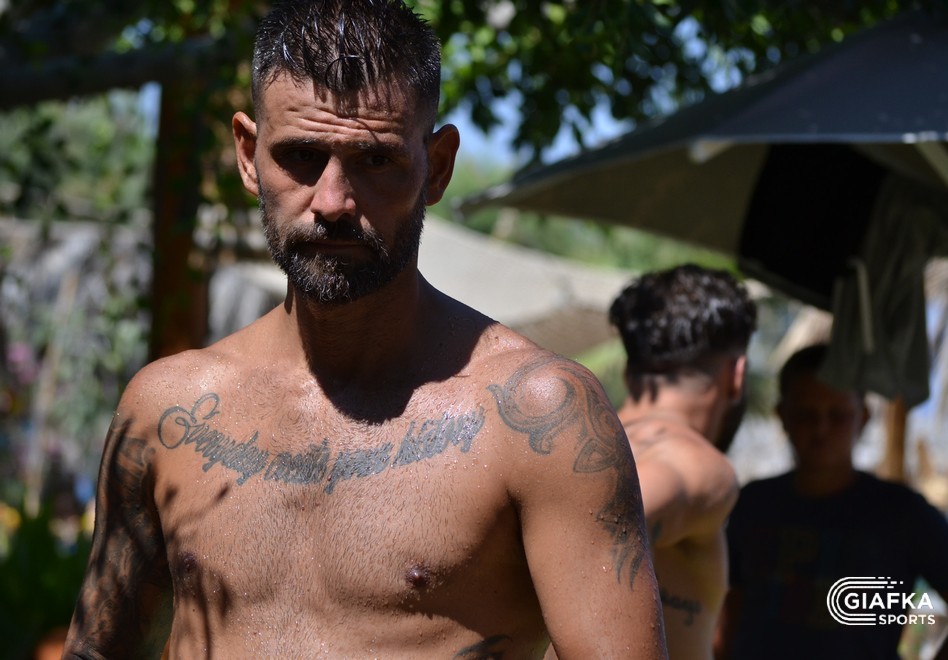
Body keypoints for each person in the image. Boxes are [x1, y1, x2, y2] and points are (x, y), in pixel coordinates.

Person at [62, 1, 667, 657]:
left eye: (374, 161)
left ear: (437, 167)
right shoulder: (166, 410)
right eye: (300, 156)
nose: (332, 202)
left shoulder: (539, 419)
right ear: (247, 154)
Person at [717, 343, 948, 659]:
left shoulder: (902, 513)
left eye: (838, 415)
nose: (821, 428)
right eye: (806, 413)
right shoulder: (753, 503)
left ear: (864, 417)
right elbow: (728, 604)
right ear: (782, 415)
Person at [608, 265, 756, 659]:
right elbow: (609, 518)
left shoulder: (578, 444)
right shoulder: (697, 465)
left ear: (628, 371)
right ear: (737, 374)